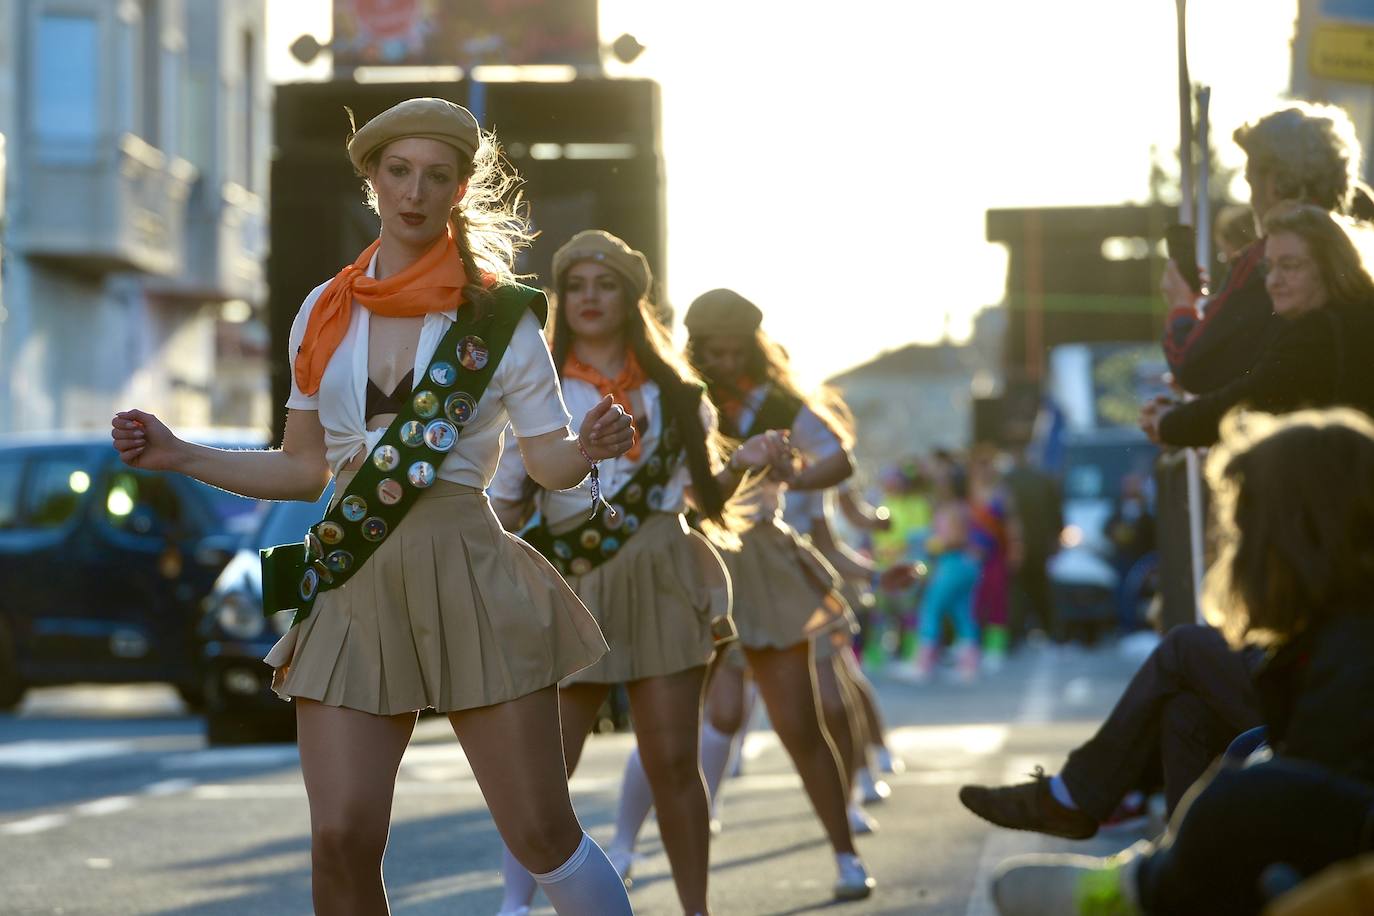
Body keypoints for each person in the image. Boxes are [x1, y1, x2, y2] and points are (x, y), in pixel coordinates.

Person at [111, 98, 638, 916]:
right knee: (340, 839)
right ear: (373, 180)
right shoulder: (324, 309)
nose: (414, 192)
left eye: (436, 176)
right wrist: (178, 453)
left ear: (459, 189)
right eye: (399, 171)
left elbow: (546, 461)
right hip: (353, 577)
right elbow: (302, 470)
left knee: (542, 833)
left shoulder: (501, 317)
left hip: (469, 570)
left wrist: (591, 447)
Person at [487, 230, 783, 916]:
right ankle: (514, 906)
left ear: (632, 298)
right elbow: (505, 502)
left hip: (661, 575)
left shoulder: (677, 392)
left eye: (606, 284)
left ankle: (696, 910)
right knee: (546, 771)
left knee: (674, 763)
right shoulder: (535, 385)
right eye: (577, 285)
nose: (590, 298)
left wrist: (745, 464)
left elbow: (702, 498)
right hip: (571, 580)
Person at [990, 407, 1374, 916]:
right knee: (1196, 720)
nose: (1234, 548)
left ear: (1299, 535)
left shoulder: (1355, 647)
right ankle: (1163, 874)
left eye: (1244, 531)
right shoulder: (1336, 626)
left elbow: (1319, 791)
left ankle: (1138, 888)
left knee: (1244, 787)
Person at [683, 288, 876, 900]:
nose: (725, 361)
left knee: (800, 722)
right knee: (699, 719)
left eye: (735, 350)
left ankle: (845, 854)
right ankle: (642, 850)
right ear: (695, 348)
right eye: (713, 352)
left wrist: (794, 475)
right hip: (686, 554)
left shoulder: (780, 401)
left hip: (760, 563)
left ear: (754, 345)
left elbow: (839, 461)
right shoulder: (677, 395)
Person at [958, 621, 1261, 840]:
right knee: (1184, 712)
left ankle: (1074, 797)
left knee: (1183, 645)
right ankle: (1184, 863)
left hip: (1287, 689)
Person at [1162, 102, 1362, 396]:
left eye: (1250, 182)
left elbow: (1195, 365)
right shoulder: (1361, 244)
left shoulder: (1269, 257)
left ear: (1275, 184)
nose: (1251, 199)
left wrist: (1182, 305)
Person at [1144, 202, 1374, 448]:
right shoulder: (1347, 318)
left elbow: (1248, 400)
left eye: (1289, 266)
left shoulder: (1319, 332)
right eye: (1268, 267)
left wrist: (1166, 422)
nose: (1273, 281)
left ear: (1330, 266)